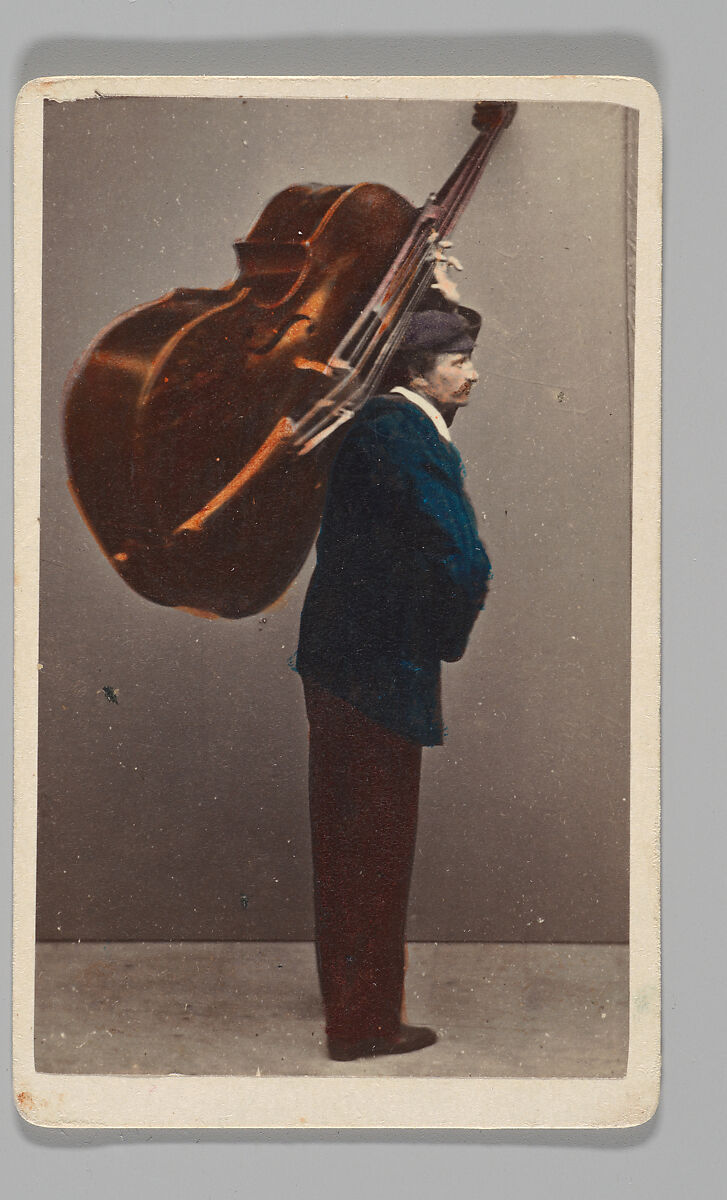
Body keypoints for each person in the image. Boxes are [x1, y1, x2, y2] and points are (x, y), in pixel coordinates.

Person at [295, 297, 493, 1062]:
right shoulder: (405, 434)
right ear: (417, 370)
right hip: (377, 670)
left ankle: (348, 999)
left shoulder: (373, 425)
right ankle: (362, 1024)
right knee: (372, 843)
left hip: (339, 662)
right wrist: (441, 641)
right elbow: (463, 562)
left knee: (345, 837)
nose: (472, 375)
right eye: (458, 362)